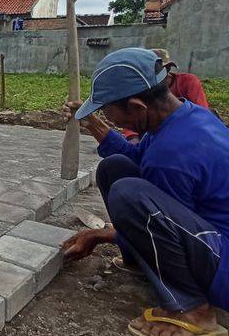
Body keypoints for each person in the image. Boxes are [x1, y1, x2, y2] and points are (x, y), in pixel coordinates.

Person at [61, 47, 228, 336]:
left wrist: (100, 235)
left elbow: (164, 227)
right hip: (207, 235)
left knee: (128, 193)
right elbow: (135, 158)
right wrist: (93, 123)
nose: (109, 118)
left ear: (137, 107)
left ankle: (192, 309)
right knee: (114, 167)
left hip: (221, 263)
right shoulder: (182, 119)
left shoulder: (173, 156)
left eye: (107, 110)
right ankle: (140, 262)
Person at [122, 49, 210, 143]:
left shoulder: (188, 82)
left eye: (157, 70)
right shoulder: (142, 87)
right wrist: (133, 138)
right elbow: (134, 116)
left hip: (188, 132)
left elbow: (202, 114)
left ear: (167, 68)